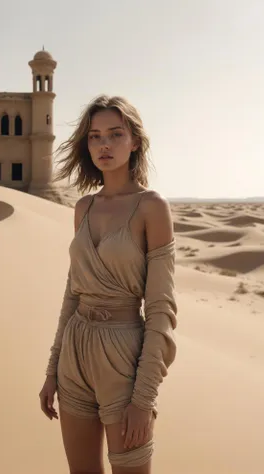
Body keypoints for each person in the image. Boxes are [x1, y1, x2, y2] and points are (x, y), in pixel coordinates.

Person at [39, 94, 178, 474]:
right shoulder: (83, 207)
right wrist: (52, 370)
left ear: (135, 141)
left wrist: (144, 398)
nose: (104, 145)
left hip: (124, 358)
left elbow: (161, 308)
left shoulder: (152, 207)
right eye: (95, 136)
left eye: (115, 134)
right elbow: (72, 293)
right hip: (75, 353)